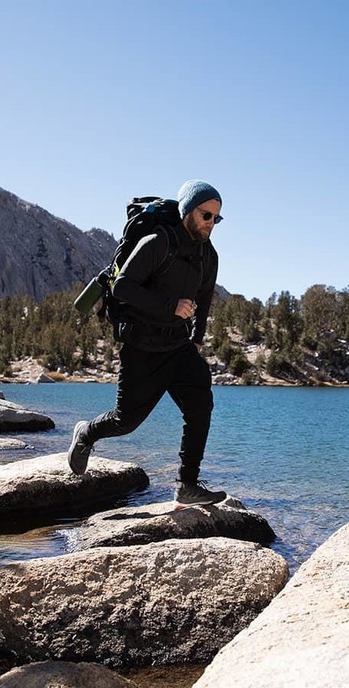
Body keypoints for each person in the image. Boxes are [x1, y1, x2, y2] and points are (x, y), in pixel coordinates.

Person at [68, 180, 227, 506]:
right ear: (188, 211)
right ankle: (86, 433)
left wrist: (195, 340)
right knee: (125, 421)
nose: (211, 223)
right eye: (206, 215)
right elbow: (122, 287)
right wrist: (170, 305)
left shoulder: (209, 256)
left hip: (179, 347)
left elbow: (205, 301)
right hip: (142, 347)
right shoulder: (158, 242)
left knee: (201, 405)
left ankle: (187, 485)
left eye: (216, 218)